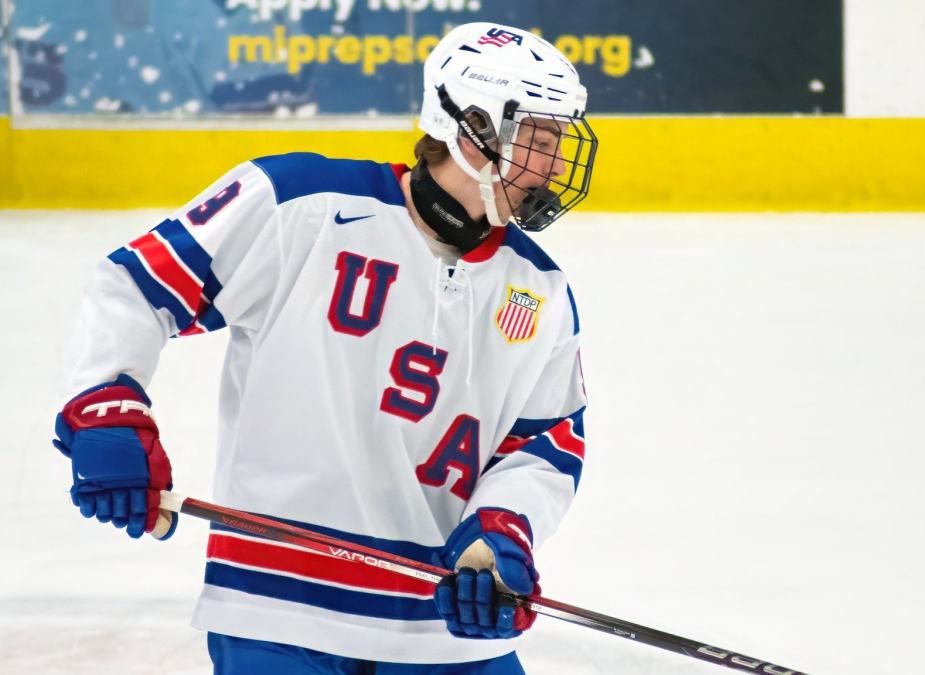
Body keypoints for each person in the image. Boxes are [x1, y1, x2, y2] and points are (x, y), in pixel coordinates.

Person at [51, 22, 597, 674]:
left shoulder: (540, 288)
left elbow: (546, 441)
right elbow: (136, 288)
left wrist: (502, 529)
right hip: (278, 611)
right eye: (538, 138)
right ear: (471, 127)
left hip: (444, 629)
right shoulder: (299, 204)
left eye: (558, 140)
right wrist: (108, 406)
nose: (555, 163)